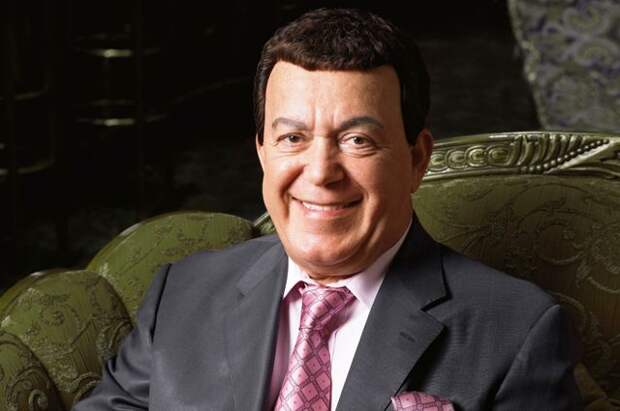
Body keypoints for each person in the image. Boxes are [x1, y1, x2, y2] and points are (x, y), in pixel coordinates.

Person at [74, 8, 583, 411]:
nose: (320, 173)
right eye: (292, 138)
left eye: (357, 140)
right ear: (262, 152)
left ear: (416, 159)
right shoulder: (182, 294)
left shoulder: (515, 331)